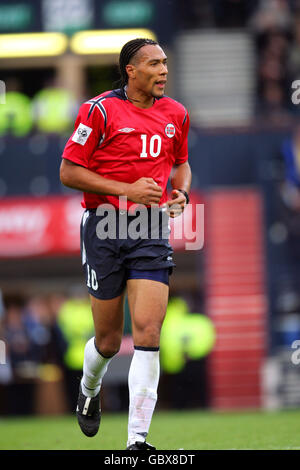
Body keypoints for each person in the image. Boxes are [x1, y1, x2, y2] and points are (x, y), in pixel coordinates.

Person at [59, 37, 191, 450]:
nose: (164, 70)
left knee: (149, 333)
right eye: (154, 64)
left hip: (149, 228)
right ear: (131, 71)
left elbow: (182, 163)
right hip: (103, 227)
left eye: (165, 63)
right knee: (109, 341)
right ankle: (89, 387)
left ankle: (137, 441)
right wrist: (125, 190)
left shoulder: (177, 114)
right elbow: (68, 172)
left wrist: (181, 193)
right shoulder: (98, 110)